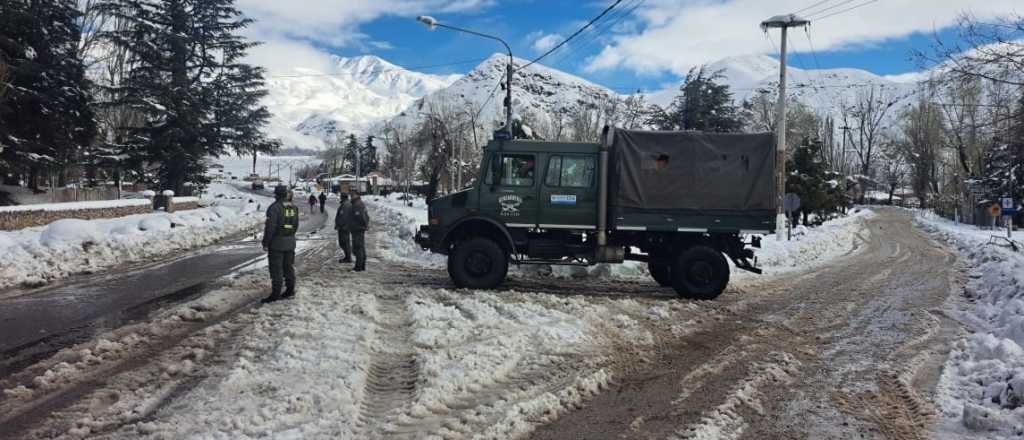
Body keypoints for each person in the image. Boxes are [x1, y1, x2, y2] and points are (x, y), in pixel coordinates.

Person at [262, 185, 298, 303]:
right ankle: (290, 290)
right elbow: (295, 225)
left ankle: (275, 294)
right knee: (288, 267)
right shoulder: (293, 207)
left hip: (277, 243)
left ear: (276, 194)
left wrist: (266, 242)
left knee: (276, 269)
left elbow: (270, 227)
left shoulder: (274, 208)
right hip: (290, 241)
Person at [349, 190, 370, 272]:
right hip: (357, 228)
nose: (351, 196)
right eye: (351, 194)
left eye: (353, 195)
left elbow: (361, 217)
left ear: (357, 195)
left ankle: (359, 267)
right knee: (360, 247)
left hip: (358, 229)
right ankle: (362, 266)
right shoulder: (358, 203)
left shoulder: (358, 205)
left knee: (358, 248)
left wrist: (364, 225)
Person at [334, 193, 352, 263]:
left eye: (341, 197)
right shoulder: (346, 203)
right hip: (345, 226)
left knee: (344, 242)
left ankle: (348, 258)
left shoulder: (345, 205)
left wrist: (339, 225)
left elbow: (343, 217)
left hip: (344, 227)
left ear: (343, 197)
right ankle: (347, 256)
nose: (340, 198)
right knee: (344, 242)